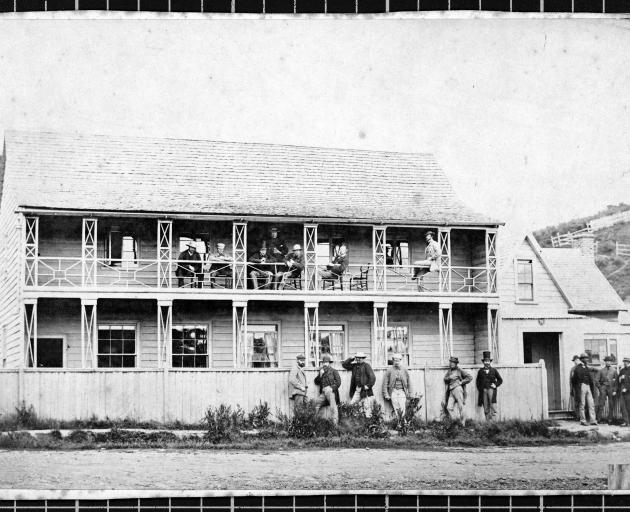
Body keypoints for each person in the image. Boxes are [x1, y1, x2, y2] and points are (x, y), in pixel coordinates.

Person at [342, 351, 377, 417]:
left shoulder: (366, 366)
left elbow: (372, 377)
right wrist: (351, 358)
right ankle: (357, 421)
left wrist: (368, 386)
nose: (359, 359)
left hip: (365, 390)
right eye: (357, 358)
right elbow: (344, 365)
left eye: (361, 358)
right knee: (352, 405)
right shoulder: (354, 366)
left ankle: (369, 423)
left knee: (367, 408)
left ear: (363, 358)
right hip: (357, 390)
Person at [382, 353, 413, 422]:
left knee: (402, 407)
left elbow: (409, 383)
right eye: (395, 360)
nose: (396, 362)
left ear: (401, 361)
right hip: (393, 391)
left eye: (398, 360)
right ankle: (400, 423)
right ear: (393, 361)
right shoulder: (389, 370)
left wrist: (410, 393)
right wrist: (386, 394)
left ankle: (403, 423)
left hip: (402, 391)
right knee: (396, 408)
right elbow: (385, 383)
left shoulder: (404, 370)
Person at [443, 356, 472, 426]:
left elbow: (470, 377)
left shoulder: (460, 370)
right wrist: (449, 377)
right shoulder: (449, 371)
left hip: (458, 389)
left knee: (461, 406)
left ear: (456, 364)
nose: (451, 364)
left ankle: (463, 423)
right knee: (449, 407)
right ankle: (456, 421)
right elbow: (445, 379)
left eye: (453, 363)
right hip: (451, 391)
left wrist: (461, 382)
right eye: (451, 362)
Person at [314, 354, 341, 425]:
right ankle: (315, 423)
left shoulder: (334, 371)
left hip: (331, 392)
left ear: (329, 363)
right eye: (323, 362)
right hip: (323, 393)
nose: (324, 364)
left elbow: (338, 382)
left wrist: (331, 388)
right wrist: (320, 375)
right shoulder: (321, 371)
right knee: (316, 404)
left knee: (333, 408)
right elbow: (316, 381)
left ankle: (335, 425)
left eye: (326, 362)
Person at [475, 351, 503, 421]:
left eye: (488, 361)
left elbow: (500, 380)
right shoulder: (480, 371)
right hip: (484, 391)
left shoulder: (494, 370)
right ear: (483, 362)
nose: (487, 362)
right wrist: (480, 389)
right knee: (486, 408)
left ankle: (494, 424)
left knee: (493, 407)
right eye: (485, 361)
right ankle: (488, 424)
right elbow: (477, 381)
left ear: (490, 362)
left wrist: (495, 384)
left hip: (491, 390)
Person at [571, 352, 597, 426]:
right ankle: (582, 420)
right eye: (585, 358)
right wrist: (578, 386)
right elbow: (573, 380)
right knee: (582, 403)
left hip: (588, 386)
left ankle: (593, 420)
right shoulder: (577, 368)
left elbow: (590, 376)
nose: (586, 359)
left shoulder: (586, 367)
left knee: (591, 403)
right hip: (581, 386)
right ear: (582, 359)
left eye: (587, 358)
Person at [597, 356, 619, 424]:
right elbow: (596, 380)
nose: (608, 362)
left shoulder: (614, 370)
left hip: (611, 388)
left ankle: (610, 419)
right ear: (605, 362)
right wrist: (600, 388)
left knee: (611, 404)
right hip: (603, 388)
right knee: (601, 404)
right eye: (606, 361)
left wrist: (615, 390)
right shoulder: (601, 370)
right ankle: (599, 418)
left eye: (609, 361)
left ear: (611, 362)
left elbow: (617, 382)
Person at [618, 357, 630, 427]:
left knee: (629, 407)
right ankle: (626, 422)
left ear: (629, 362)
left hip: (629, 392)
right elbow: (618, 381)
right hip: (622, 391)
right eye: (624, 361)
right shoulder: (622, 370)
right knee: (623, 407)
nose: (625, 362)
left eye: (626, 361)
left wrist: (627, 389)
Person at [569, 355, 581, 421]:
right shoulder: (572, 369)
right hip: (575, 388)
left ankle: (582, 416)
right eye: (574, 361)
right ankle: (577, 416)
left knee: (582, 402)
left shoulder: (582, 367)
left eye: (576, 360)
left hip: (581, 387)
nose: (575, 362)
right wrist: (571, 389)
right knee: (576, 402)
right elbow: (570, 380)